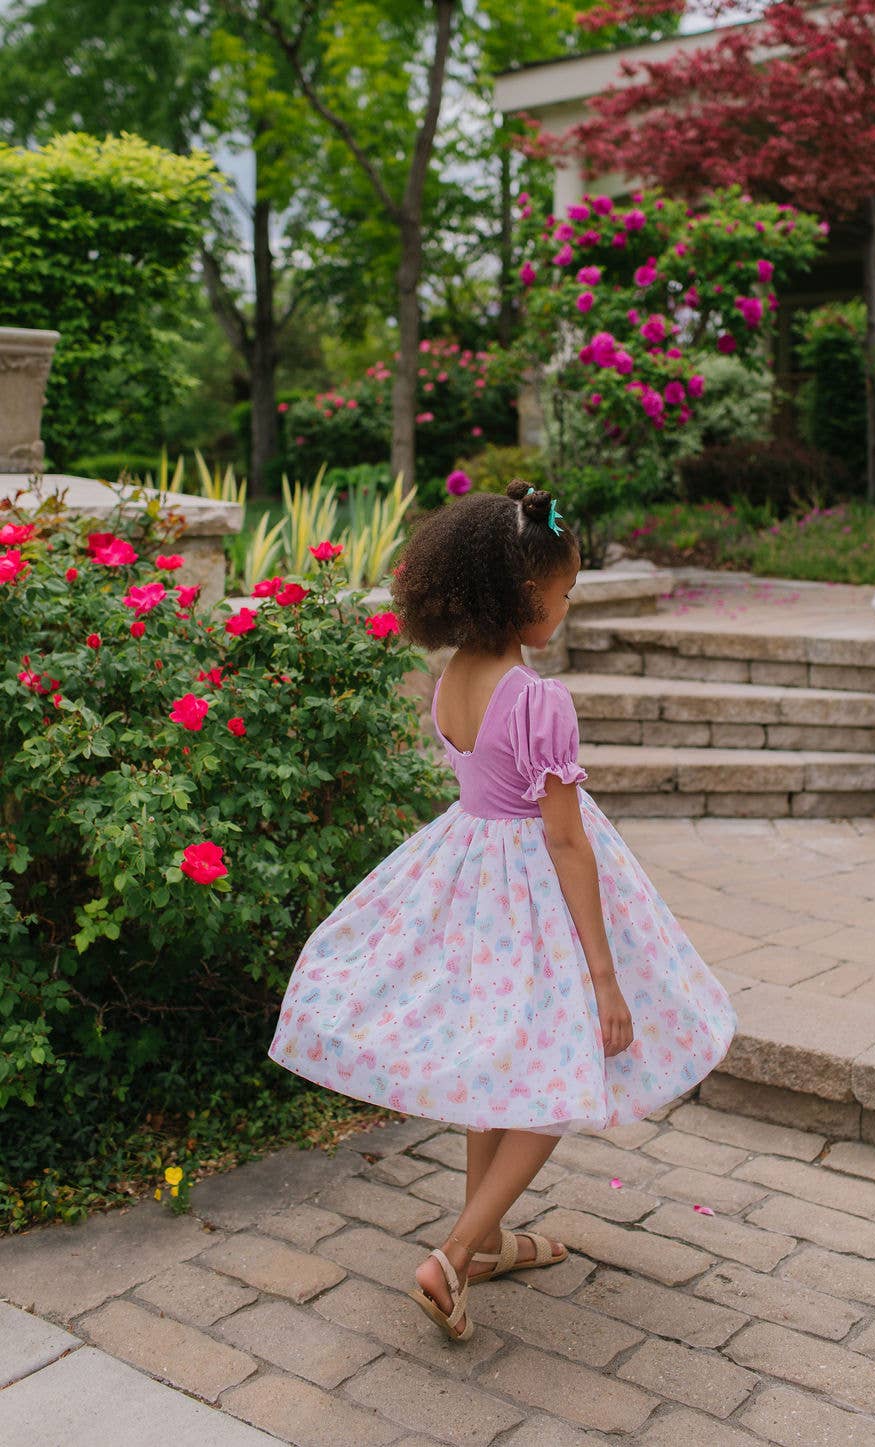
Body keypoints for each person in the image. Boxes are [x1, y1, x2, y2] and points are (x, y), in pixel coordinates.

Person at [267, 479, 737, 1342]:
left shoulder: (455, 676)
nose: (564, 607)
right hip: (534, 899)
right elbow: (565, 842)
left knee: (498, 1064)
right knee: (557, 1084)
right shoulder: (539, 699)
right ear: (526, 596)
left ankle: (480, 1243)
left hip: (470, 880)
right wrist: (604, 976)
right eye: (563, 594)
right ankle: (450, 1255)